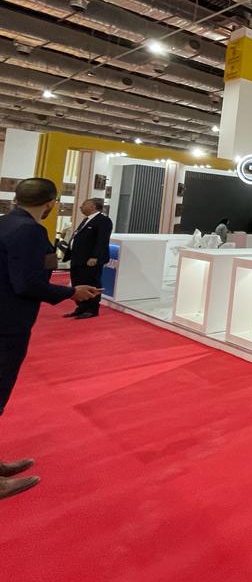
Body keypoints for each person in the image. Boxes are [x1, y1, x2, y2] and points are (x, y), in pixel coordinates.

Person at [0, 178, 102, 500]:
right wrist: (70, 293)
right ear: (50, 204)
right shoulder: (29, 231)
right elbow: (27, 283)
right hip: (8, 323)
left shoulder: (5, 223)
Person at [64, 198, 112, 320]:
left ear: (93, 206)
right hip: (78, 259)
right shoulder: (86, 220)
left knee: (91, 283)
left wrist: (95, 256)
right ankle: (81, 307)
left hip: (89, 260)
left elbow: (102, 241)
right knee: (78, 283)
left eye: (84, 204)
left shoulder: (103, 220)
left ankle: (92, 309)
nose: (81, 206)